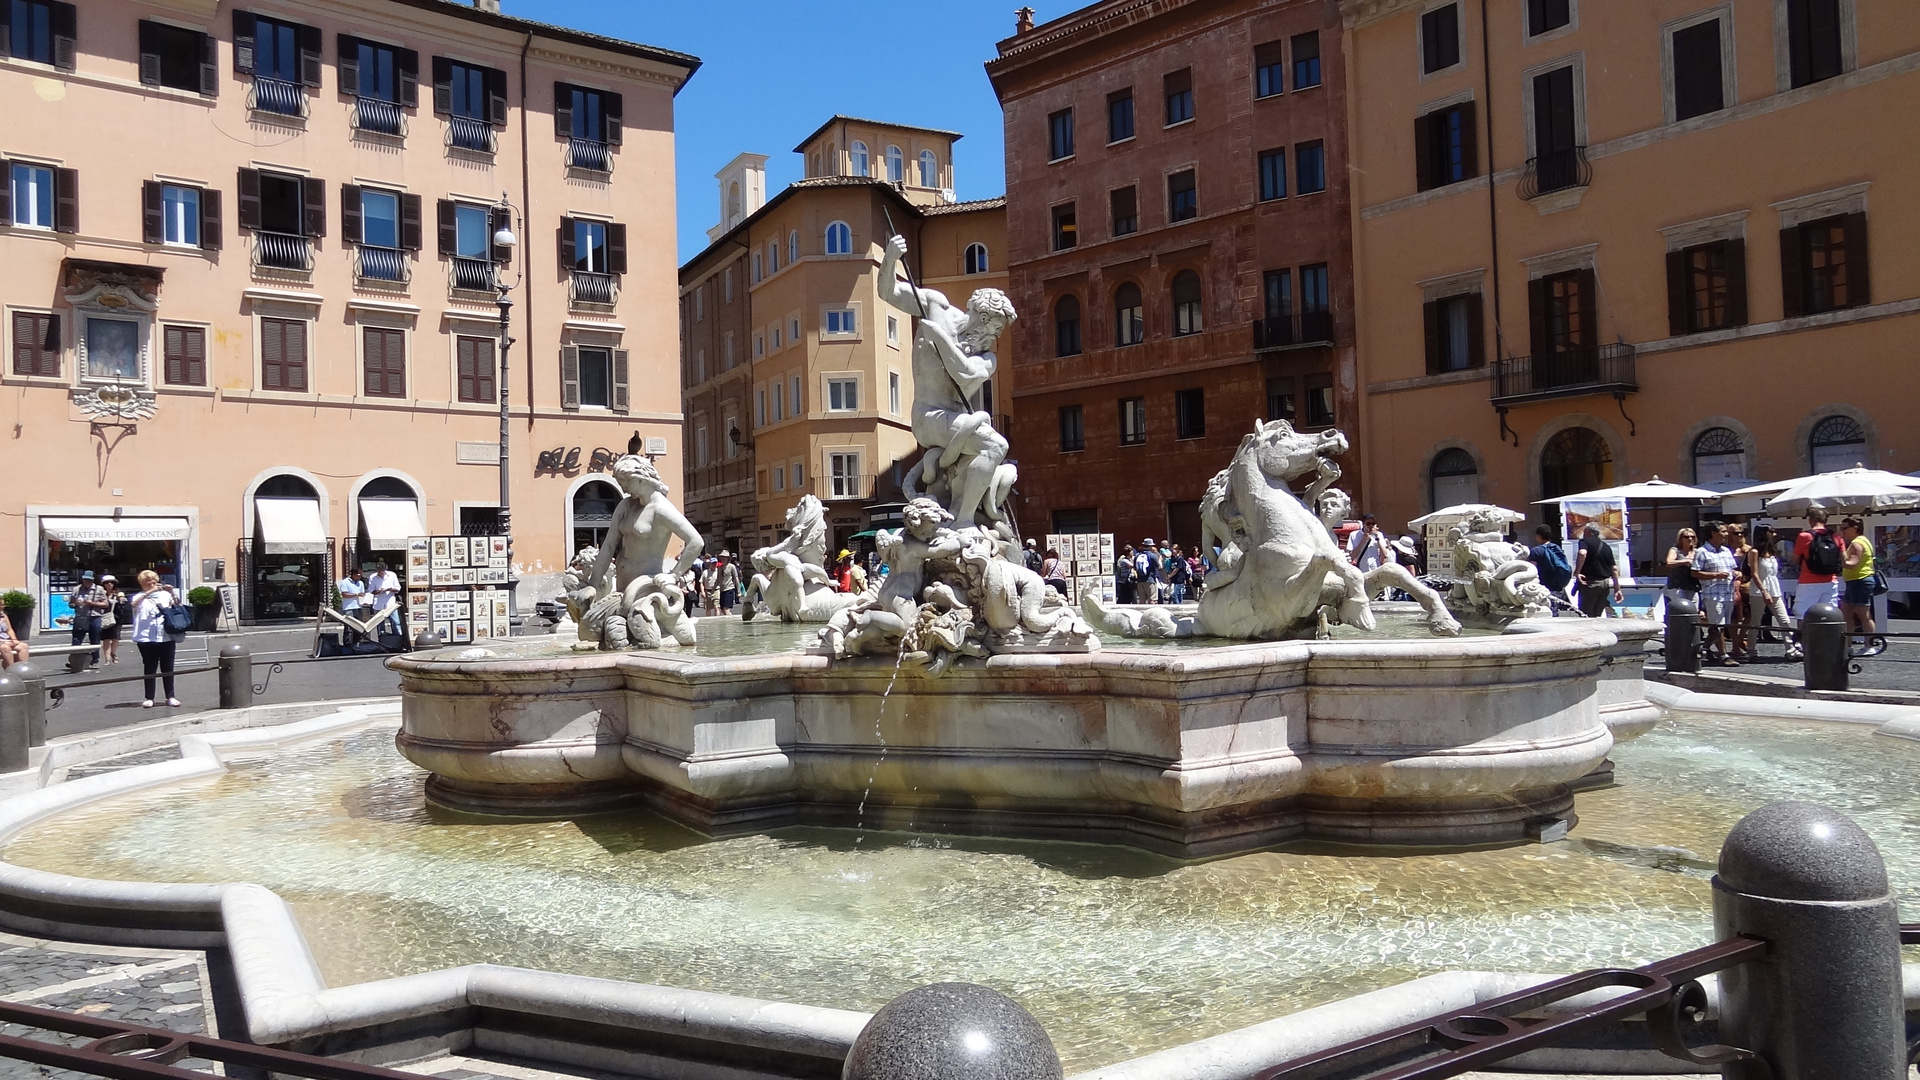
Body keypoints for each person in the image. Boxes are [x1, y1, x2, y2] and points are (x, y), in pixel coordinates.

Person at [130, 569, 184, 708]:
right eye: (149, 582)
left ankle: (170, 696)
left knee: (168, 667)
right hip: (146, 638)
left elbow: (177, 605)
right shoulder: (139, 596)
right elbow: (133, 604)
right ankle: (149, 697)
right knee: (150, 668)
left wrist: (172, 592)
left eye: (155, 581)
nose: (153, 584)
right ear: (143, 584)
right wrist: (150, 592)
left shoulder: (165, 595)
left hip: (166, 635)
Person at [1691, 523, 1740, 665]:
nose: (1726, 534)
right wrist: (1716, 575)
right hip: (1712, 594)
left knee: (1721, 626)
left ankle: (1702, 648)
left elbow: (1733, 568)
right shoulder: (1702, 552)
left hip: (1727, 593)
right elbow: (1695, 572)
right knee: (1718, 626)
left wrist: (1737, 574)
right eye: (1723, 531)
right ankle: (1723, 655)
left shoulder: (1726, 551)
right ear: (1713, 533)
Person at [1744, 527, 1794, 660]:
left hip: (1774, 588)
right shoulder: (1754, 552)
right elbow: (1754, 573)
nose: (1774, 534)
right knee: (1756, 622)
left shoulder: (1772, 552)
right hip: (1759, 590)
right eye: (1770, 532)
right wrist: (1763, 591)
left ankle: (1791, 649)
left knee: (1784, 620)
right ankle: (1751, 650)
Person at [1794, 508, 1842, 613]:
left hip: (1808, 582)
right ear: (1826, 521)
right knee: (1829, 614)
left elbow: (1795, 559)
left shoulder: (1804, 536)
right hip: (1831, 581)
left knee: (1804, 615)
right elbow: (1843, 558)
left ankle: (1805, 631)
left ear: (1810, 520)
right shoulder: (1836, 537)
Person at [1838, 516, 1877, 643]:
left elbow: (1850, 564)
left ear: (1855, 528)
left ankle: (1869, 645)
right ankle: (1847, 644)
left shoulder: (1857, 543)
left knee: (1863, 615)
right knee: (1847, 614)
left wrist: (1842, 551)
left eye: (1845, 528)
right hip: (1855, 581)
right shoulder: (1863, 540)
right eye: (1841, 528)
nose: (1842, 531)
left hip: (1859, 580)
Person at [1573, 524, 1623, 618]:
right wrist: (1617, 590)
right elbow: (1614, 569)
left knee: (1585, 616)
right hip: (1604, 584)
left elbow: (1582, 553)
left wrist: (1577, 572)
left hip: (1590, 584)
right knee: (1597, 616)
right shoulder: (1606, 546)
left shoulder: (1584, 541)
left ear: (1587, 532)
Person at [1724, 526, 1752, 659]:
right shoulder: (1725, 550)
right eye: (1736, 533)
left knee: (1750, 615)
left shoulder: (1748, 549)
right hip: (1731, 586)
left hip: (1747, 585)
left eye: (1742, 533)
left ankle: (1739, 640)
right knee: (1733, 618)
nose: (1739, 535)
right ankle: (1735, 646)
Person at [69, 570, 107, 666]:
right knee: (76, 640)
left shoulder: (99, 589)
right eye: (85, 579)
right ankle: (75, 660)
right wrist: (76, 604)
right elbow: (71, 604)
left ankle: (95, 660)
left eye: (89, 580)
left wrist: (92, 603)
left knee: (94, 639)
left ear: (93, 580)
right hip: (81, 617)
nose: (87, 582)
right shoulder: (76, 589)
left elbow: (105, 604)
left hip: (94, 617)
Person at [1528, 526, 1574, 605]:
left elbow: (1532, 570)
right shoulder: (1556, 548)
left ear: (1539, 536)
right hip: (1558, 586)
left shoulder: (1536, 551)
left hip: (1543, 587)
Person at [1664, 528, 1700, 604]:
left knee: (1694, 610)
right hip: (1677, 586)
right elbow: (1669, 562)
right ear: (1680, 539)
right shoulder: (1675, 550)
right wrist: (1686, 561)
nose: (1690, 539)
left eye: (1692, 537)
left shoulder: (1697, 552)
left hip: (1692, 586)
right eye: (1686, 537)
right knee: (1681, 608)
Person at [369, 561, 402, 636]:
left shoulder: (392, 575)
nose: (381, 573)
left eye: (382, 572)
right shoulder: (372, 577)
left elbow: (398, 588)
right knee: (380, 624)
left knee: (396, 622)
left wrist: (389, 589)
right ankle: (382, 639)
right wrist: (380, 591)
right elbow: (371, 591)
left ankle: (398, 637)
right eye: (379, 572)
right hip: (378, 603)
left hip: (390, 602)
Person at [99, 575, 125, 665]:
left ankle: (114, 654)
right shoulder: (100, 594)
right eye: (107, 582)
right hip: (105, 618)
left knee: (115, 638)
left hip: (117, 618)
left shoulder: (118, 594)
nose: (109, 584)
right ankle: (107, 658)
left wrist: (121, 600)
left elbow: (123, 606)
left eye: (111, 582)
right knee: (106, 639)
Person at [1136, 540, 1161, 604]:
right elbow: (1159, 567)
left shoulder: (1137, 555)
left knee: (1142, 599)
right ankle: (1151, 613)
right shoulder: (1152, 555)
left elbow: (1135, 567)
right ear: (1150, 546)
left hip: (1140, 580)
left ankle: (1141, 613)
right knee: (1152, 599)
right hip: (1150, 580)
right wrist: (1160, 560)